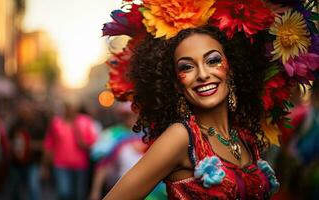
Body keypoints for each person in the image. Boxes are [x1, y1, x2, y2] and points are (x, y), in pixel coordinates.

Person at [99, 0, 318, 199]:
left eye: (213, 61)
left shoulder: (244, 136)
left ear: (231, 69)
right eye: (187, 67)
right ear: (176, 83)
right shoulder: (180, 137)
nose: (203, 74)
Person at [42, 101, 99, 200]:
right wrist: (45, 166)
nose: (69, 111)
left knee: (79, 195)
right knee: (64, 192)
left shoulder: (85, 121)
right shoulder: (56, 123)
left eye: (72, 108)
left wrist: (83, 142)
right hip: (60, 164)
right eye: (67, 108)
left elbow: (93, 141)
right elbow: (49, 144)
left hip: (80, 165)